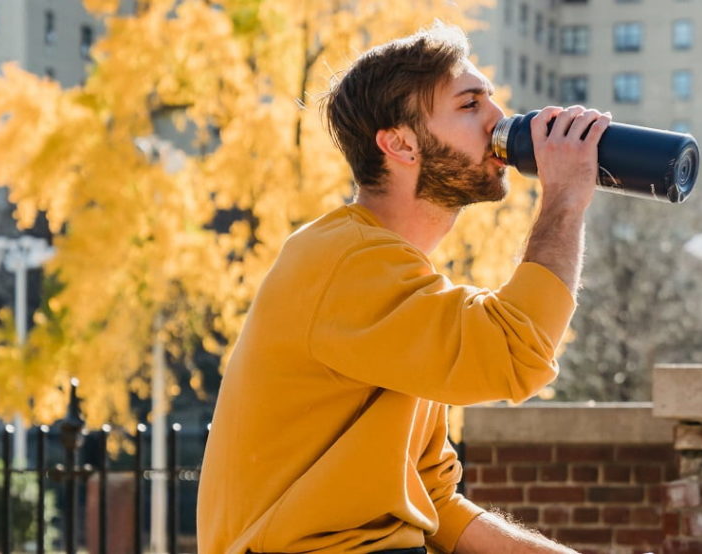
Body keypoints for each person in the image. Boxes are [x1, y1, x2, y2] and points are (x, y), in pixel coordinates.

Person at [197, 22, 611, 554]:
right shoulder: (344, 261)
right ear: (400, 143)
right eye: (470, 105)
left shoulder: (396, 280)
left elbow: (431, 499)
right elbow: (514, 353)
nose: (498, 120)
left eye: (491, 100)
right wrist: (565, 198)